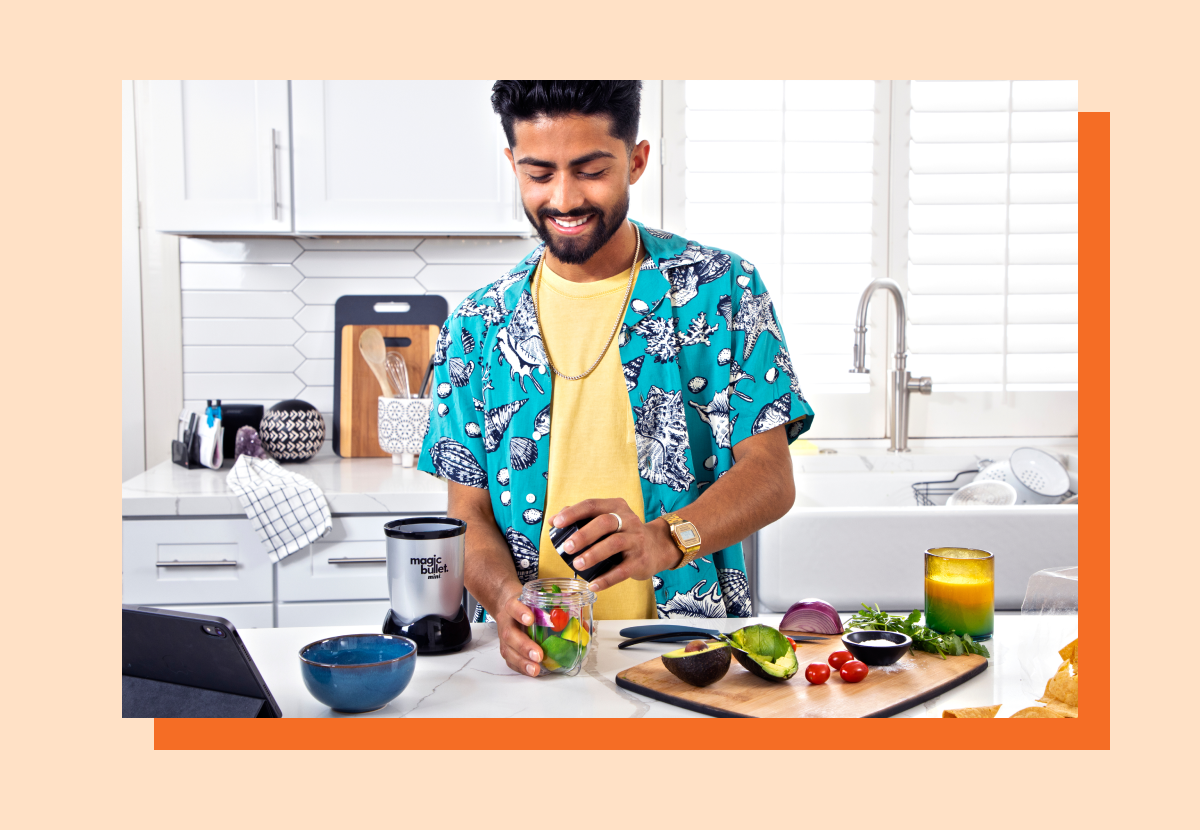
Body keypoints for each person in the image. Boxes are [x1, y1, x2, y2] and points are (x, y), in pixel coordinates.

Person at [418, 80, 813, 678]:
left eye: (591, 170)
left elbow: (770, 477)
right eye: (539, 173)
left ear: (636, 160)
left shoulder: (721, 290)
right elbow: (467, 510)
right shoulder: (477, 322)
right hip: (532, 656)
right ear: (512, 166)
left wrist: (663, 540)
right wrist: (503, 599)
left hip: (687, 649)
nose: (564, 197)